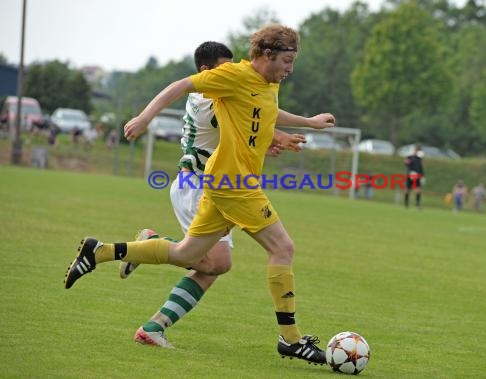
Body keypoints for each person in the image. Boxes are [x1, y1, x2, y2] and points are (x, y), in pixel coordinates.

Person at [64, 24, 335, 365]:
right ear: (266, 55)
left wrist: (306, 124)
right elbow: (182, 85)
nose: (289, 69)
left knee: (187, 254)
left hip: (219, 183)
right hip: (234, 185)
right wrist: (145, 117)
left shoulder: (269, 83)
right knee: (283, 248)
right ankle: (291, 339)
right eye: (286, 60)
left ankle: (100, 252)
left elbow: (264, 113)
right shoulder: (232, 76)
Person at [119, 41, 307, 349]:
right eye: (225, 69)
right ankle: (150, 303)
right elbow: (253, 113)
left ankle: (154, 325)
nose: (232, 74)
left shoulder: (211, 93)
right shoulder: (211, 98)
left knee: (212, 265)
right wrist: (283, 134)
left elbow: (254, 118)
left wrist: (266, 141)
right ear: (207, 71)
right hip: (200, 185)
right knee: (214, 263)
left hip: (202, 184)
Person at [404, 144, 424, 209]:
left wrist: (422, 176)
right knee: (408, 190)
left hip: (417, 176)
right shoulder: (410, 157)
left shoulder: (419, 159)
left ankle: (417, 204)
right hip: (411, 175)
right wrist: (407, 162)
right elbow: (406, 164)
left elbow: (420, 168)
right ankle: (406, 204)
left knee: (418, 190)